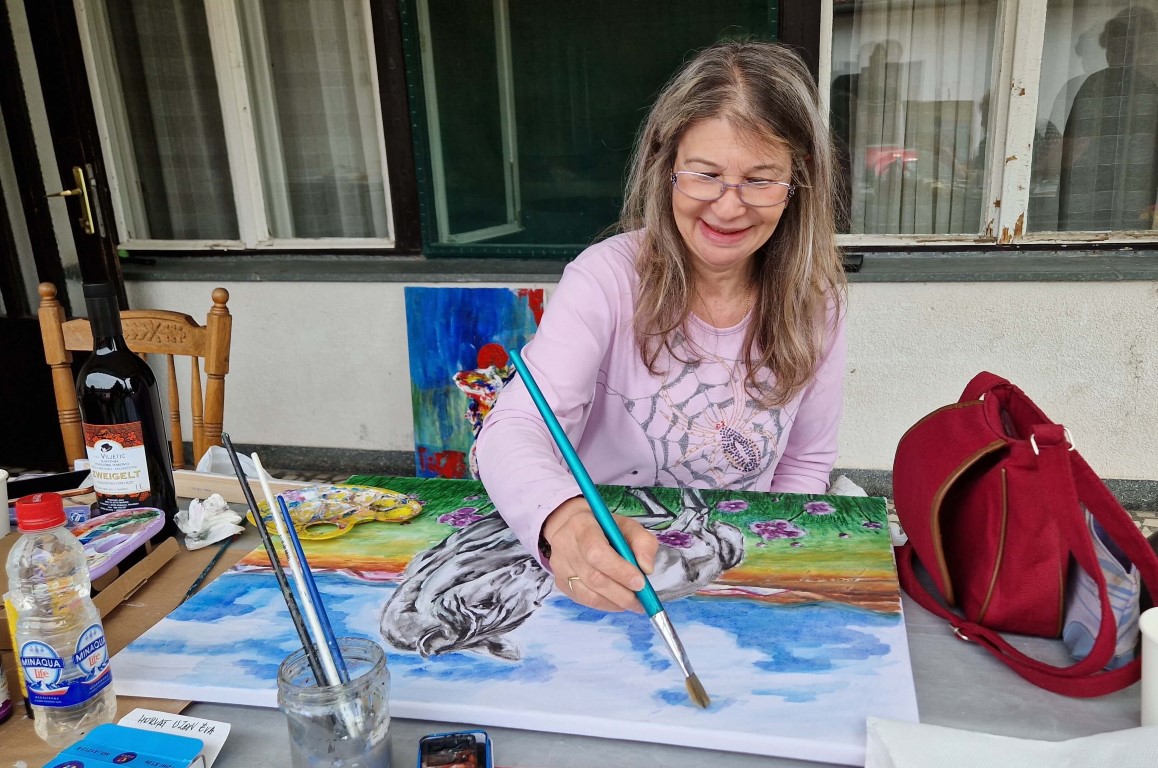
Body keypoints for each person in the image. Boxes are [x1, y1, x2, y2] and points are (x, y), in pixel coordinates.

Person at [475, 40, 847, 614]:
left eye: (761, 180)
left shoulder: (817, 302)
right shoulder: (606, 278)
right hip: (600, 564)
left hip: (730, 569)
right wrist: (565, 519)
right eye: (705, 174)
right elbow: (514, 426)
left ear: (798, 185)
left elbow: (804, 464)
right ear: (665, 167)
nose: (728, 207)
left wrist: (764, 577)